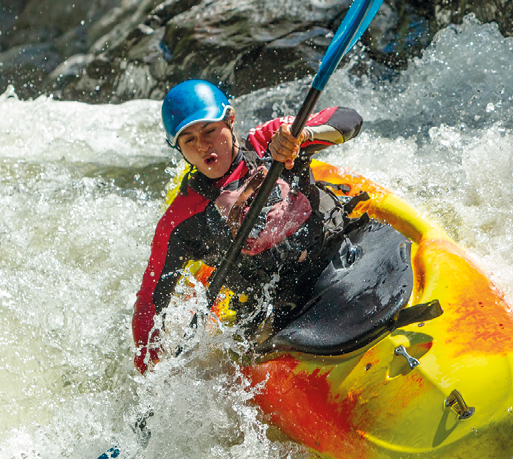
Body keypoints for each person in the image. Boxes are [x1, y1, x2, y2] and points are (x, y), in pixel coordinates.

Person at [132, 79, 363, 373]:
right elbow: (149, 302)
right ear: (177, 148)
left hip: (333, 256)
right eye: (188, 140)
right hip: (275, 307)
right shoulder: (181, 221)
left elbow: (350, 119)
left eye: (209, 131)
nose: (202, 145)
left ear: (230, 120)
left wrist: (303, 136)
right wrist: (149, 369)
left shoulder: (270, 141)